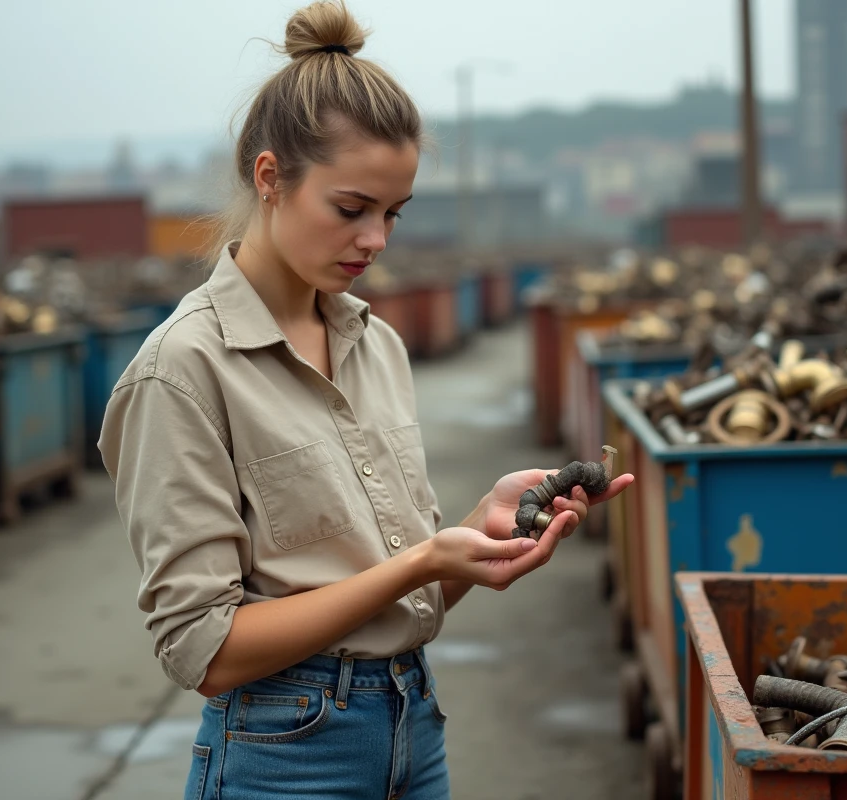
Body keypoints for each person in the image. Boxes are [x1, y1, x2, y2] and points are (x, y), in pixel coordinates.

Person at [98, 3, 634, 798]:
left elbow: (388, 597)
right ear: (270, 177)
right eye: (351, 210)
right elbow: (207, 654)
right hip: (285, 757)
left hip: (415, 732)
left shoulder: (373, 344)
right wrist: (422, 559)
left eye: (392, 213)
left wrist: (476, 537)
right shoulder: (181, 372)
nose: (376, 240)